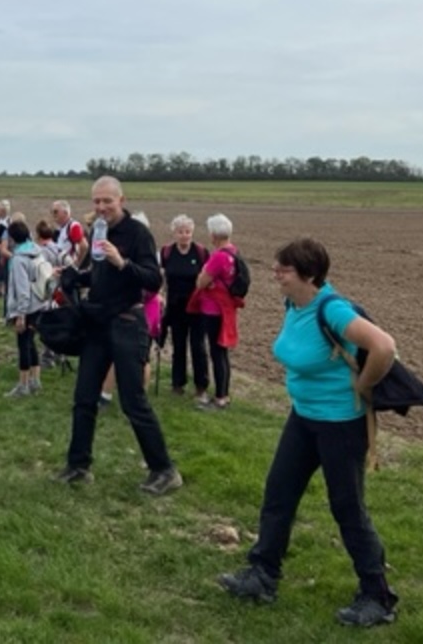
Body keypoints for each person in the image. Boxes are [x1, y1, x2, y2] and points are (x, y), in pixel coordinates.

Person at [219, 237, 399, 627]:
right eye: (276, 267)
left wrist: (363, 385)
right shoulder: (294, 305)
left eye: (284, 269)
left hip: (341, 425)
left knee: (347, 507)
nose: (275, 274)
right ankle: (263, 574)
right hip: (303, 417)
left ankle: (378, 596)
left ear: (309, 275)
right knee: (279, 493)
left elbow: (384, 347)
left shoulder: (332, 309)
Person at [55, 177, 182, 496]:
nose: (101, 207)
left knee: (133, 401)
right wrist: (75, 276)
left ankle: (164, 470)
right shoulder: (97, 231)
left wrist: (122, 262)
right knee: (84, 397)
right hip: (98, 325)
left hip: (127, 323)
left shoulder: (138, 234)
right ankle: (78, 466)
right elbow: (98, 277)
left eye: (107, 201)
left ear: (121, 200)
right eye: (96, 201)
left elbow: (153, 280)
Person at [194, 214, 241, 410]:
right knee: (222, 352)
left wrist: (203, 275)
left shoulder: (218, 256)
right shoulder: (234, 252)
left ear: (213, 235)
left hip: (213, 310)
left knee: (216, 352)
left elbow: (201, 282)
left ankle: (220, 397)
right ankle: (224, 394)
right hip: (226, 308)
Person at [160, 214, 209, 400]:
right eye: (180, 232)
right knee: (178, 346)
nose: (184, 235)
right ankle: (177, 383)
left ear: (192, 232)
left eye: (188, 232)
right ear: (174, 233)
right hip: (175, 307)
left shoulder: (201, 252)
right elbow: (161, 276)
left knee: (198, 347)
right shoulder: (166, 252)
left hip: (197, 308)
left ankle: (201, 386)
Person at [3, 219, 50, 397]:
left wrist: (20, 314)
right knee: (31, 343)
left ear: (12, 239)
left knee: (23, 345)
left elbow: (22, 289)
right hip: (39, 302)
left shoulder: (18, 259)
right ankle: (35, 381)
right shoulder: (37, 252)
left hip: (26, 307)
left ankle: (23, 385)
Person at [50, 200, 89, 266]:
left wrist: (77, 263)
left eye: (56, 212)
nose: (53, 215)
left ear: (66, 213)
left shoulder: (73, 226)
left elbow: (84, 246)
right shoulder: (60, 228)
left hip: (69, 265)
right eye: (52, 212)